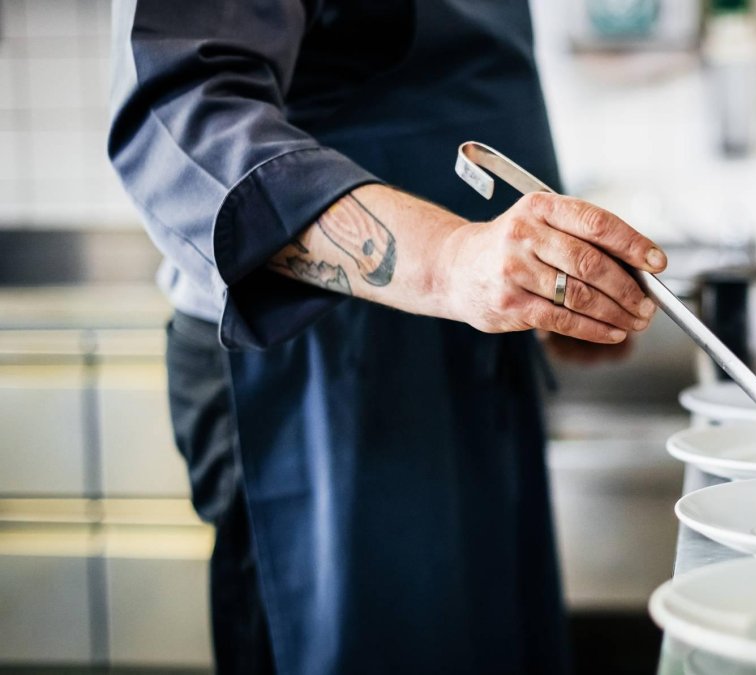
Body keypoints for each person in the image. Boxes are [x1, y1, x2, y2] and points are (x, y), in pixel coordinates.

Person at [107, 2, 664, 673]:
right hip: (320, 371)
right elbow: (182, 113)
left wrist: (555, 279)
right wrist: (452, 259)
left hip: (471, 359)